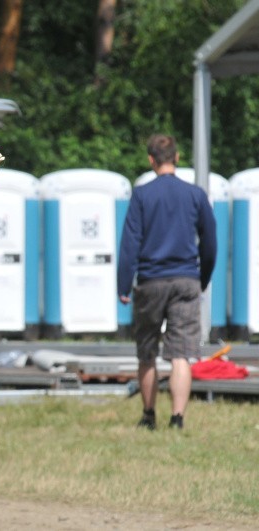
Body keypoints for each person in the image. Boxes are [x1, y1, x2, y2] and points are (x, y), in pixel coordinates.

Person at [117, 134, 217, 430]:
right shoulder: (196, 194)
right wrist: (203, 277)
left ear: (151, 160)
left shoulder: (142, 194)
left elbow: (130, 242)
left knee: (147, 351)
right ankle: (178, 418)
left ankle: (149, 416)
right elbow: (210, 241)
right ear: (176, 157)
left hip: (150, 282)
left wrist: (124, 284)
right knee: (182, 353)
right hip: (186, 279)